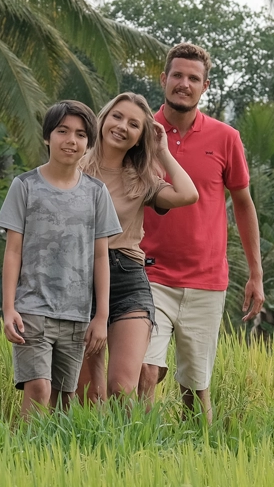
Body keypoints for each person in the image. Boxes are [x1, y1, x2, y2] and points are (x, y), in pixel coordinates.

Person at [137, 43, 264, 422]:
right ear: (164, 79)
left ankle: (201, 456)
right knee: (146, 371)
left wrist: (256, 274)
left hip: (206, 280)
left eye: (193, 78)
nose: (184, 84)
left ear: (205, 86)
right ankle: (132, 450)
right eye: (177, 75)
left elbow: (243, 203)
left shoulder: (226, 138)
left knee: (195, 388)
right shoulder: (140, 131)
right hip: (147, 273)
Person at [0, 100, 121, 417]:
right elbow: (13, 250)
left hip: (76, 314)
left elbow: (100, 256)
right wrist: (9, 307)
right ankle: (19, 458)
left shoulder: (96, 192)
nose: (71, 140)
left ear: (88, 144)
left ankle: (46, 460)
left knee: (65, 401)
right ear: (47, 137)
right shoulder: (25, 186)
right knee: (38, 389)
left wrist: (101, 316)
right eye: (62, 131)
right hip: (32, 308)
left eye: (80, 134)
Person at [76, 93, 199, 403]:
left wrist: (163, 151)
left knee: (121, 388)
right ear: (103, 119)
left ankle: (126, 449)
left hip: (127, 278)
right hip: (78, 280)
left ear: (140, 137)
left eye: (134, 125)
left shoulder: (142, 180)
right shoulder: (74, 169)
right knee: (87, 393)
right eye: (117, 117)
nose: (122, 127)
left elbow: (188, 195)